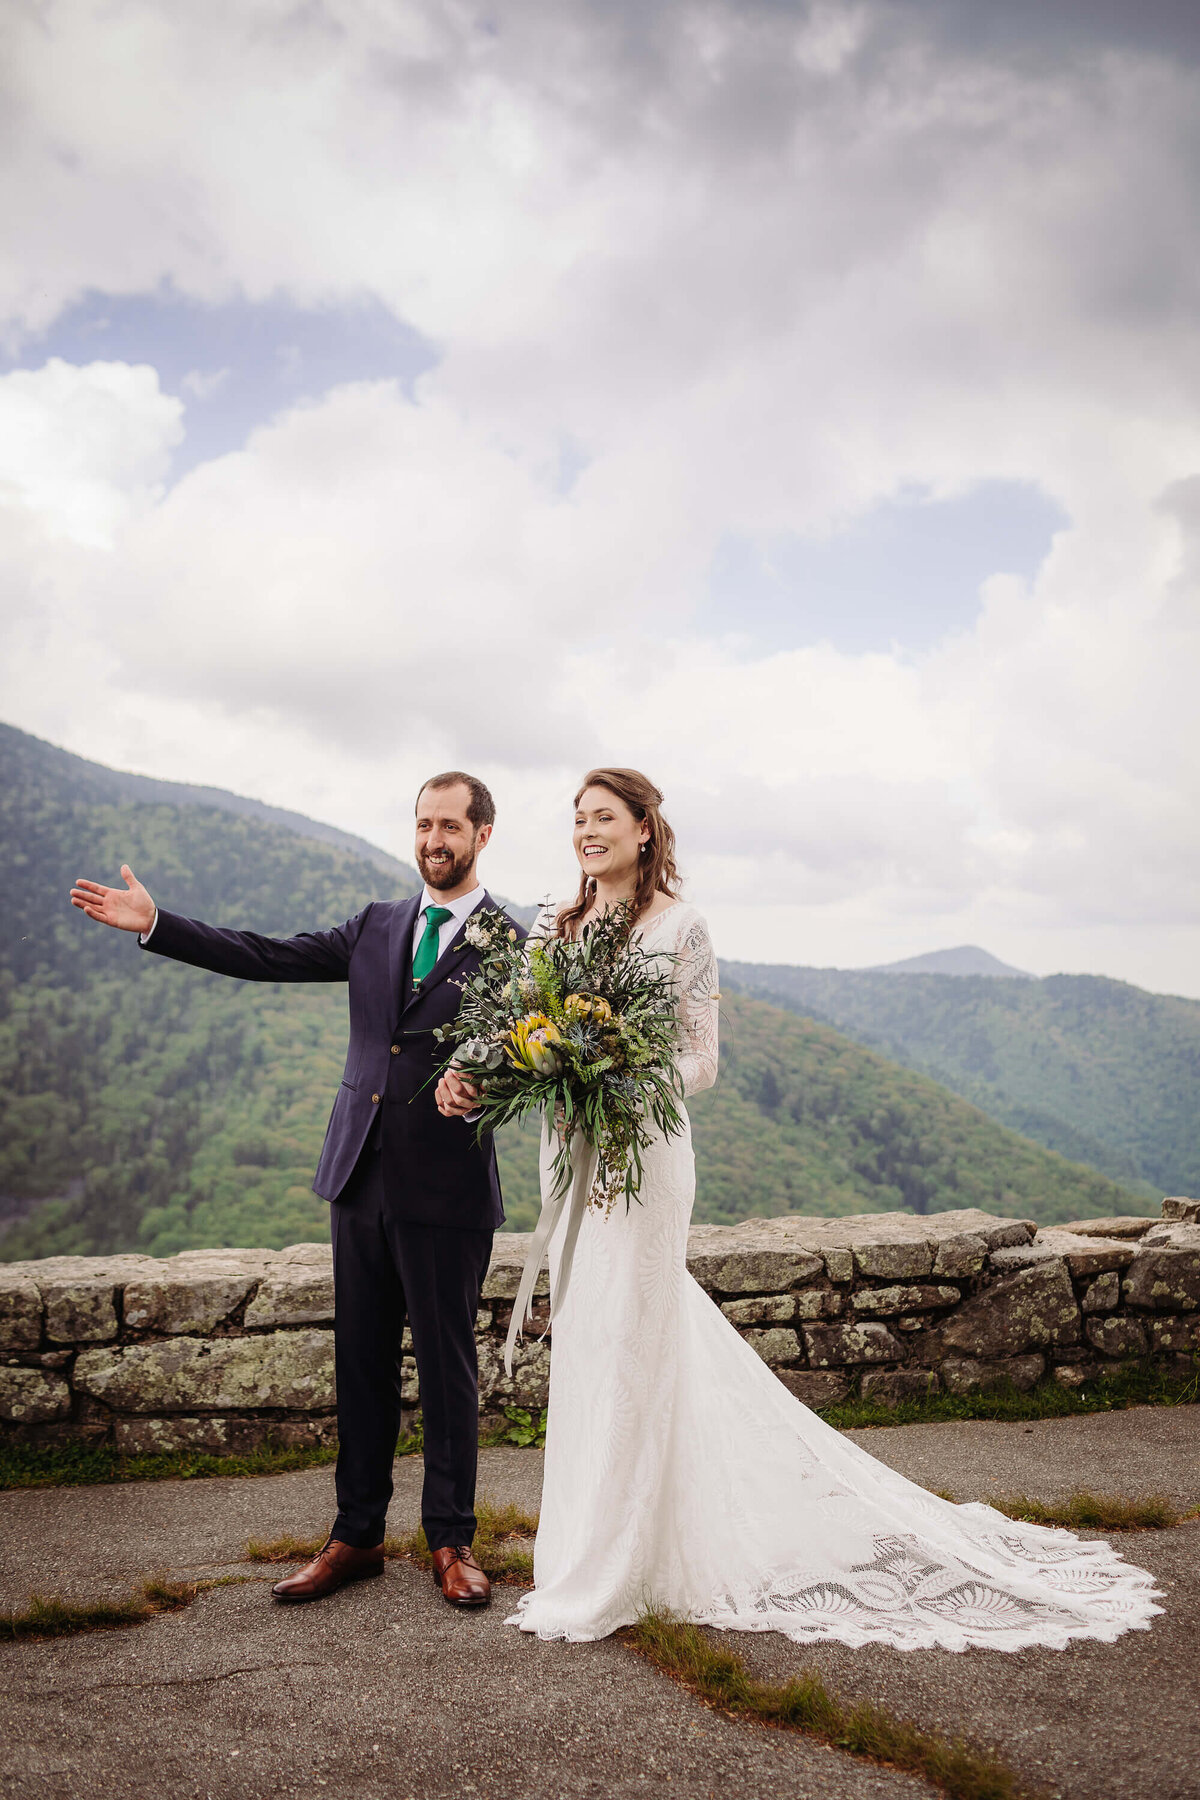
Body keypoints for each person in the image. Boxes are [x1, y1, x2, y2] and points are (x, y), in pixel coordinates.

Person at [438, 766, 1163, 1651]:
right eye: (578, 819)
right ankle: (588, 1547)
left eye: (604, 818)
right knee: (592, 1343)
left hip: (641, 1156)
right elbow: (523, 1023)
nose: (587, 832)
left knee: (635, 1339)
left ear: (642, 829)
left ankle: (624, 1564)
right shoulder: (557, 925)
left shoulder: (683, 925)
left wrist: (617, 1070)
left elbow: (702, 1060)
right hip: (568, 1153)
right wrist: (505, 1068)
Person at [71, 772, 524, 1610]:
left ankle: (452, 1541)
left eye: (450, 826)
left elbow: (534, 1063)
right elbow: (266, 956)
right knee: (359, 1363)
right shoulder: (378, 925)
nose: (433, 839)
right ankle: (354, 1538)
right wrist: (157, 925)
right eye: (423, 823)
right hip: (357, 1178)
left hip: (449, 1190)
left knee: (447, 1369)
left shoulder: (516, 947)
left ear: (482, 834)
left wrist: (488, 1085)